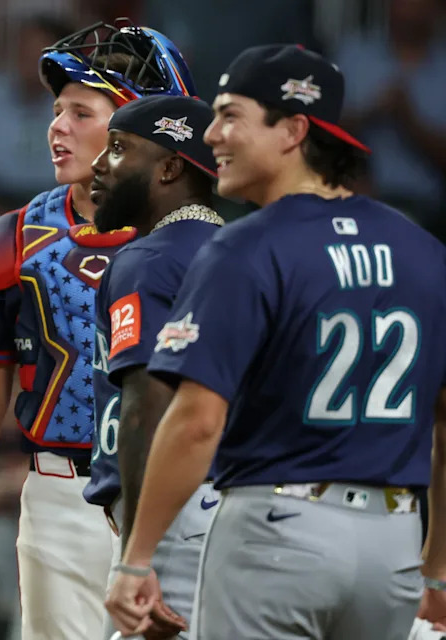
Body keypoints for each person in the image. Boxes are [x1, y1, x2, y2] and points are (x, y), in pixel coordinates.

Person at [108, 44, 446, 640]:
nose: (211, 135)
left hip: (279, 533)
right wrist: (438, 568)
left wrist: (138, 557)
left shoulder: (246, 248)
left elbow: (195, 423)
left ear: (293, 130)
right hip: (393, 542)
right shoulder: (423, 250)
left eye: (232, 115)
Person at [0, 19, 196, 639]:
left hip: (180, 496)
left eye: (81, 112)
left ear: (137, 124)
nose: (57, 127)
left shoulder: (199, 237)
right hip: (58, 495)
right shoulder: (18, 237)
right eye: (58, 111)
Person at [87, 95, 223, 640]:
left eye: (119, 149)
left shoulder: (149, 258)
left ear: (169, 167)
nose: (99, 164)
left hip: (172, 516)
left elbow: (146, 403)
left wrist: (135, 556)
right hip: (237, 511)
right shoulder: (237, 248)